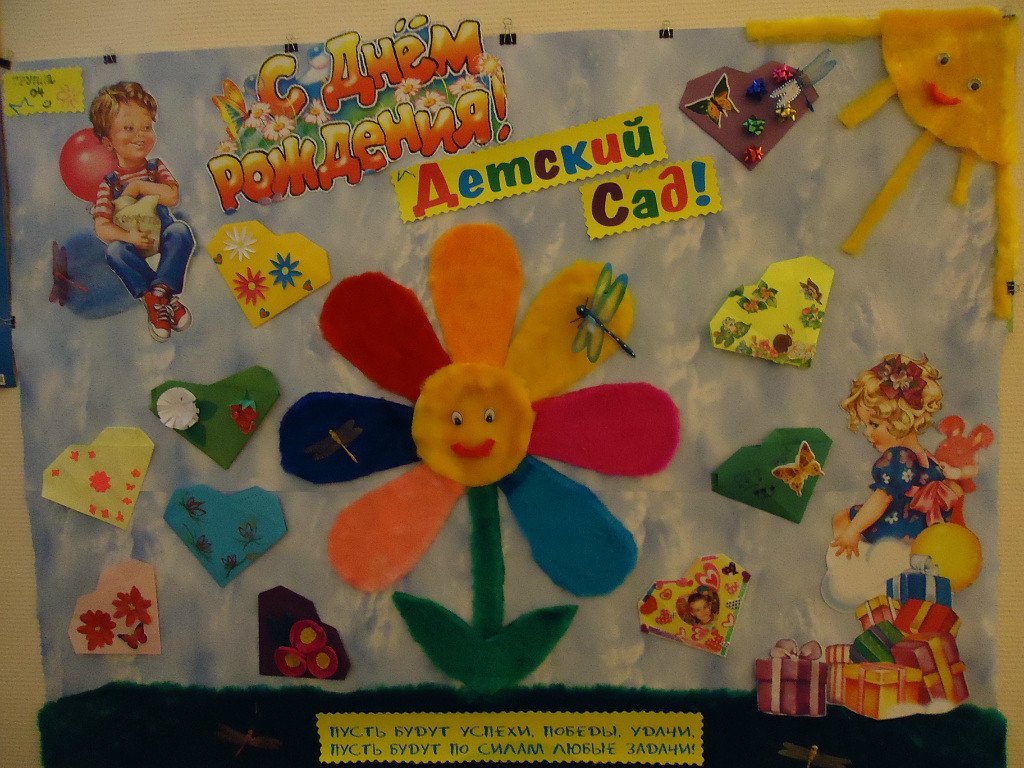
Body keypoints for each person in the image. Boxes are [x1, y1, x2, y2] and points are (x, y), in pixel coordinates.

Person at [90, 81, 194, 341]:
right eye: (129, 128)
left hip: (162, 235)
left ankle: (159, 292)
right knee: (114, 251)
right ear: (108, 142)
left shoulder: (154, 168)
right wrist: (130, 237)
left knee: (180, 231)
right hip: (133, 242)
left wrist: (139, 186)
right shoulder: (109, 184)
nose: (140, 135)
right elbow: (102, 227)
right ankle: (161, 299)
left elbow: (171, 195)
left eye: (146, 127)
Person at [831, 353, 950, 558]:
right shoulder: (928, 459)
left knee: (842, 518)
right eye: (866, 425)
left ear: (902, 420)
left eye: (874, 424)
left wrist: (852, 531)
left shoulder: (899, 457)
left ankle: (848, 562)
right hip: (923, 531)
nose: (867, 433)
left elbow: (882, 498)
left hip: (898, 529)